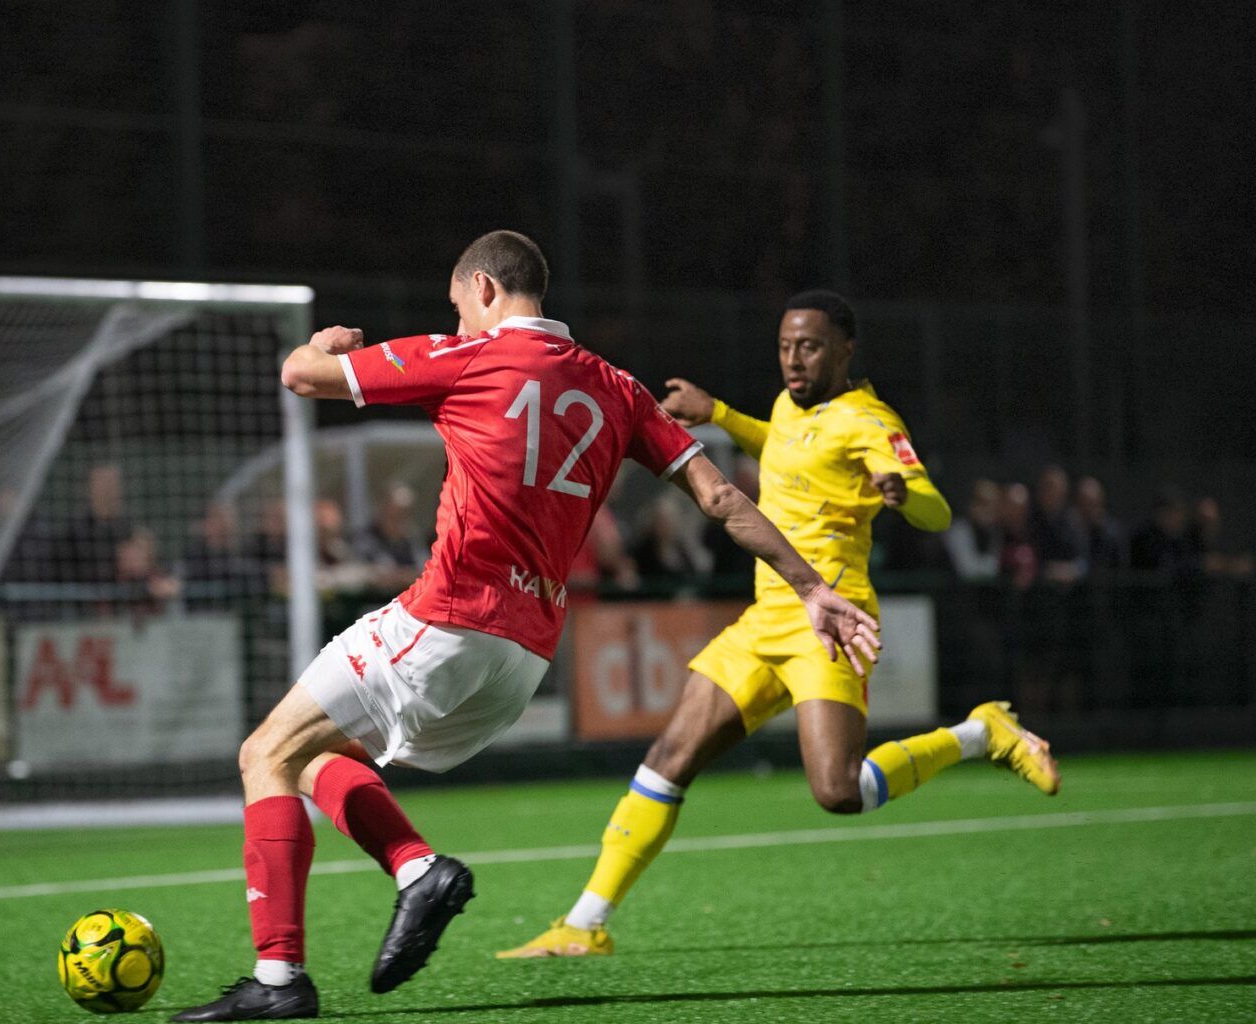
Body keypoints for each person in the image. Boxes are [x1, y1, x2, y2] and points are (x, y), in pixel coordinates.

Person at [172, 232, 879, 1021]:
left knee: (263, 751)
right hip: (525, 656)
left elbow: (299, 376)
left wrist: (323, 344)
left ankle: (280, 984)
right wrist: (812, 587)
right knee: (311, 755)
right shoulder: (619, 389)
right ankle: (414, 870)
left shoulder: (468, 357)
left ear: (483, 288)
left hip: (449, 618)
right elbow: (719, 499)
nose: (459, 320)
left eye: (458, 306)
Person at [499, 290, 1059, 961]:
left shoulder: (868, 420)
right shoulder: (793, 407)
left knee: (839, 791)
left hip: (832, 618)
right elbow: (786, 446)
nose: (794, 360)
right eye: (786, 346)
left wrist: (908, 496)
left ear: (846, 350)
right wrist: (723, 415)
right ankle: (584, 922)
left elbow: (938, 512)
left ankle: (980, 733)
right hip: (766, 618)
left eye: (811, 346)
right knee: (668, 759)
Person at [945, 478, 1003, 581]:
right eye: (983, 503)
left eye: (994, 504)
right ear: (971, 504)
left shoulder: (997, 530)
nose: (989, 510)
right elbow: (968, 571)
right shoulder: (957, 530)